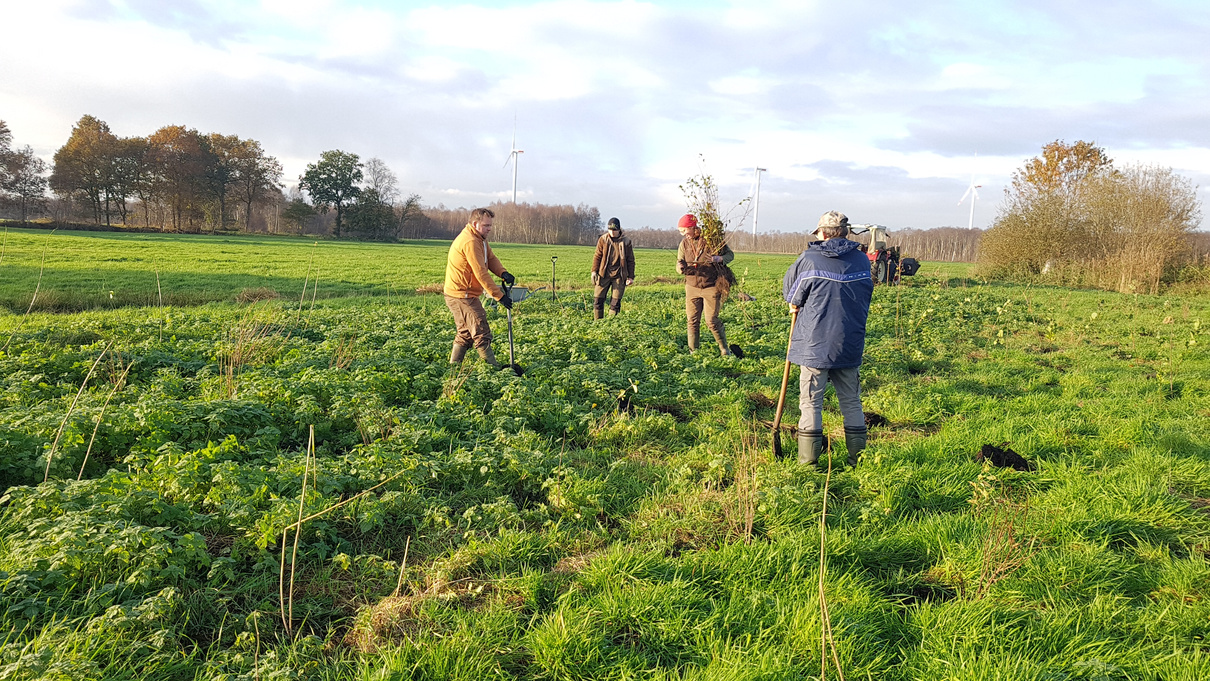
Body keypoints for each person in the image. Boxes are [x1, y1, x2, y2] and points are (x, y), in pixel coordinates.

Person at [782, 211, 874, 466]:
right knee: (851, 401)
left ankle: (808, 463)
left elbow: (791, 293)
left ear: (821, 233)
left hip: (814, 345)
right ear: (846, 233)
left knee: (811, 402)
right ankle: (859, 461)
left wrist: (795, 304)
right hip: (849, 343)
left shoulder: (809, 258)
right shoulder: (862, 260)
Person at [443, 207, 515, 368]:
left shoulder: (479, 238)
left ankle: (453, 368)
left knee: (465, 333)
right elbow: (480, 273)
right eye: (486, 226)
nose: (489, 229)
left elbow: (490, 258)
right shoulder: (470, 241)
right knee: (480, 330)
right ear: (475, 224)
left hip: (463, 293)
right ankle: (492, 369)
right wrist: (500, 296)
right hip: (461, 295)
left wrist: (503, 273)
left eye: (490, 225)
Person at [676, 213, 735, 356]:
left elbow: (730, 255)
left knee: (711, 320)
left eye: (684, 230)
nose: (683, 234)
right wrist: (680, 268)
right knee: (692, 320)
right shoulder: (684, 244)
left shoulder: (711, 239)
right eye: (681, 231)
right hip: (692, 287)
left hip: (711, 286)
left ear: (693, 227)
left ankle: (724, 350)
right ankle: (693, 352)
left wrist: (718, 258)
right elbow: (678, 263)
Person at [591, 217, 636, 319]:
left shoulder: (626, 242)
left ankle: (610, 325)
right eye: (610, 230)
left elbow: (630, 260)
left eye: (614, 230)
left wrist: (631, 277)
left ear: (619, 229)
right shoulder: (603, 239)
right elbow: (597, 256)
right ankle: (598, 323)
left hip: (619, 276)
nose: (612, 232)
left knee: (615, 303)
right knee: (598, 300)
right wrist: (594, 271)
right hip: (604, 274)